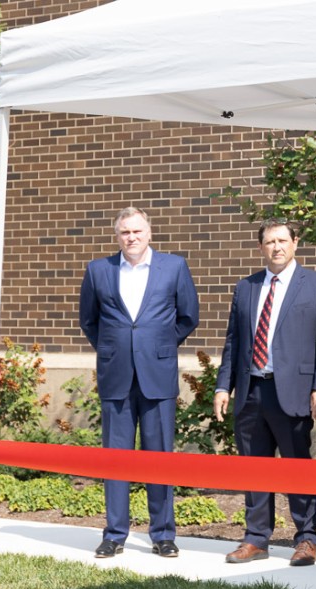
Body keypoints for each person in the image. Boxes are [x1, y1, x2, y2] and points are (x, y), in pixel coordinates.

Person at [213, 218, 316, 566]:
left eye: (283, 240)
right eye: (270, 242)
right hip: (251, 390)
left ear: (295, 242)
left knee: (298, 467)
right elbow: (233, 342)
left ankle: (307, 539)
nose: (277, 247)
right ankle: (256, 539)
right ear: (261, 247)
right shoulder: (246, 287)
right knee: (255, 468)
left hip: (295, 392)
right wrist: (224, 385)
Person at [79, 206, 199, 559]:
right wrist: (114, 349)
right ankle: (115, 533)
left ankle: (162, 533)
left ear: (149, 233)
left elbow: (188, 316)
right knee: (115, 459)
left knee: (159, 456)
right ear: (117, 236)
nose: (131, 237)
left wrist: (159, 345)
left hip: (157, 375)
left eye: (137, 231)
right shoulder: (98, 270)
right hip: (116, 375)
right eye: (124, 232)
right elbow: (89, 320)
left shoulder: (173, 267)